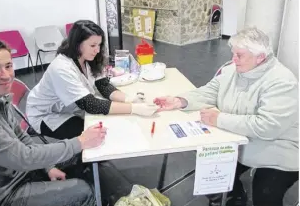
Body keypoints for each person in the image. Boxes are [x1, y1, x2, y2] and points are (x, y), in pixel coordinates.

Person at [154, 27, 299, 206]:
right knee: (211, 171)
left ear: (260, 57)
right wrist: (180, 100)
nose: (233, 59)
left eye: (239, 55)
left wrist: (219, 119)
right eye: (233, 53)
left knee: (265, 192)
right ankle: (235, 197)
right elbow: (211, 91)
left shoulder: (282, 81)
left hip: (277, 148)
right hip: (239, 139)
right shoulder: (233, 69)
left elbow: (267, 126)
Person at [0, 37, 107, 206]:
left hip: (17, 171)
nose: (6, 75)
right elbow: (22, 157)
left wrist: (48, 167)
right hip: (0, 195)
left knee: (79, 158)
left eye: (8, 66)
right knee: (83, 190)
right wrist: (80, 141)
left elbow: (21, 137)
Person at [26, 20, 158, 140]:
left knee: (105, 122)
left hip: (68, 106)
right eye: (93, 45)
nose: (97, 50)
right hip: (45, 114)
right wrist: (134, 108)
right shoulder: (61, 68)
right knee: (92, 134)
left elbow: (103, 85)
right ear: (77, 44)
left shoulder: (89, 58)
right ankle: (74, 165)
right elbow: (90, 104)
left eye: (99, 45)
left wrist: (128, 99)